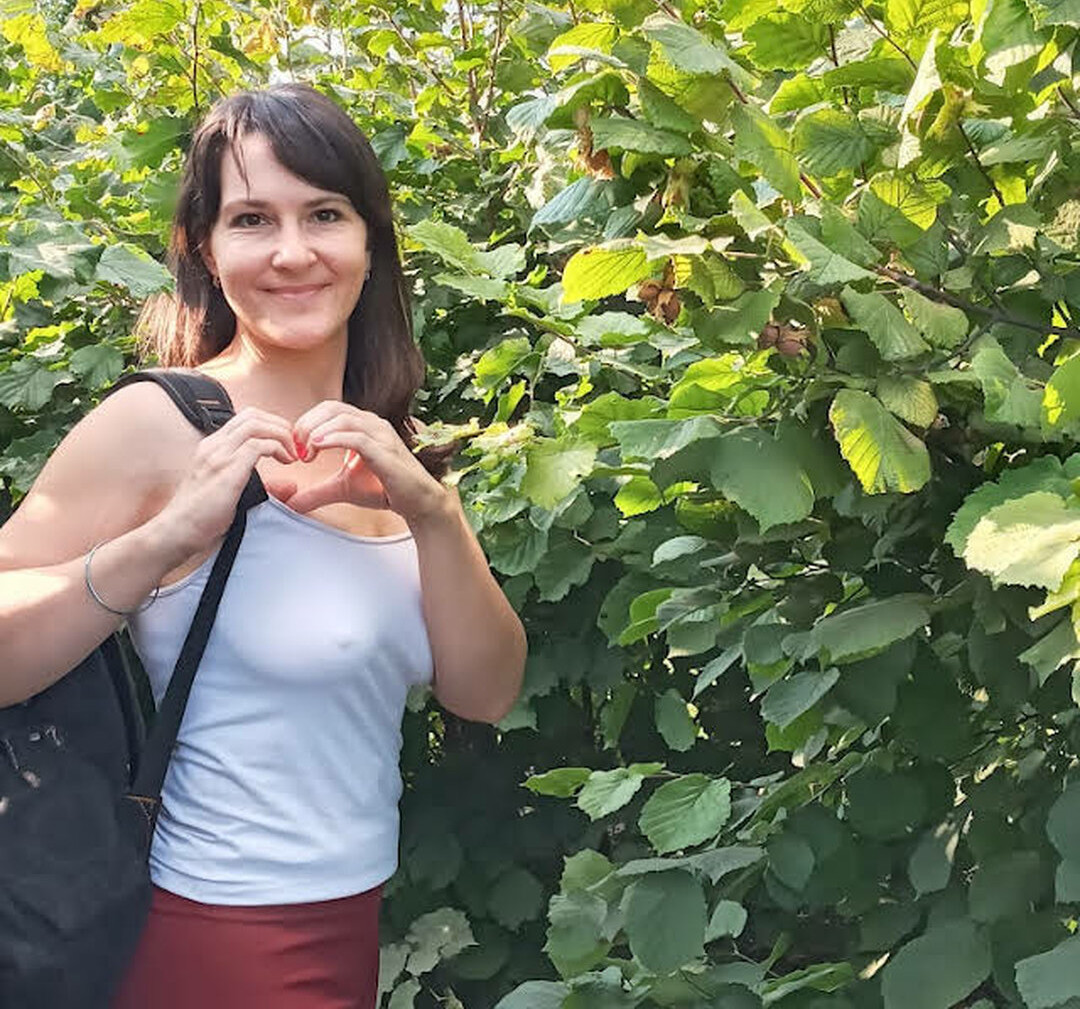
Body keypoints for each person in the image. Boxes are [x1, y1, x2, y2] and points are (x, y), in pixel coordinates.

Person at [0, 83, 526, 1008]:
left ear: (371, 242)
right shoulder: (159, 425)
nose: (292, 251)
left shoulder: (385, 443)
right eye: (252, 219)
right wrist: (164, 541)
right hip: (212, 932)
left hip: (347, 921)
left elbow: (483, 692)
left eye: (324, 214)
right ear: (206, 249)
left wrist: (435, 515)